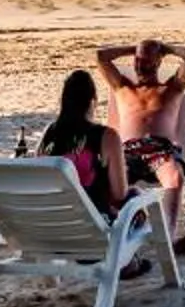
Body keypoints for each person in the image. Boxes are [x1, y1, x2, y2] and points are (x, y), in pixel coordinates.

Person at [97, 36, 185, 251]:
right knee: (103, 178)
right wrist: (135, 49)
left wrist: (165, 48)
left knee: (174, 177)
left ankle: (168, 238)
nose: (139, 66)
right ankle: (113, 234)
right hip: (127, 151)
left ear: (158, 62)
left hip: (159, 149)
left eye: (146, 61)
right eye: (137, 61)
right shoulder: (122, 88)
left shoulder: (171, 88)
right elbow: (101, 56)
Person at [38, 69, 124, 218]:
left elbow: (39, 177)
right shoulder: (108, 137)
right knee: (135, 197)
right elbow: (119, 194)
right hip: (92, 228)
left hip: (49, 220)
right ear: (93, 101)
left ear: (63, 101)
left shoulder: (49, 133)